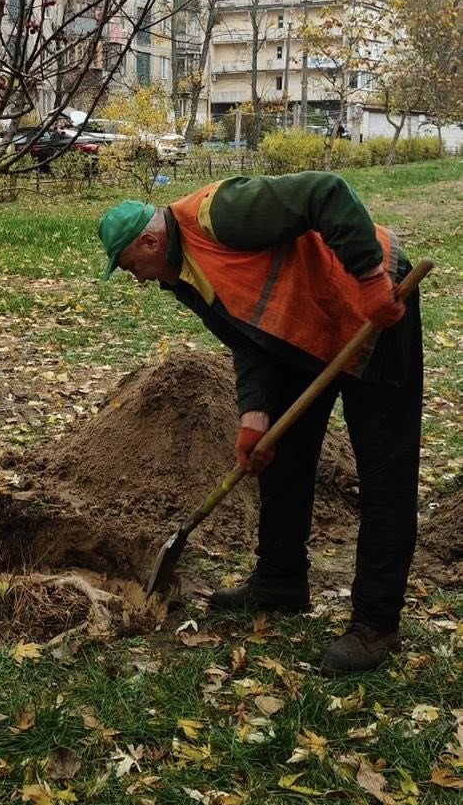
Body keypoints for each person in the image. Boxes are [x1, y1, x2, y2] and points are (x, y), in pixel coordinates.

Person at [98, 172, 423, 675]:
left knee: (384, 474)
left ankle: (376, 622)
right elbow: (249, 341)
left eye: (130, 266)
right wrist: (254, 418)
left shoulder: (219, 213)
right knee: (284, 454)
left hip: (372, 310)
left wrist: (369, 279)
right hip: (306, 331)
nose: (136, 279)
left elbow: (326, 192)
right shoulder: (182, 276)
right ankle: (280, 579)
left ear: (149, 241)